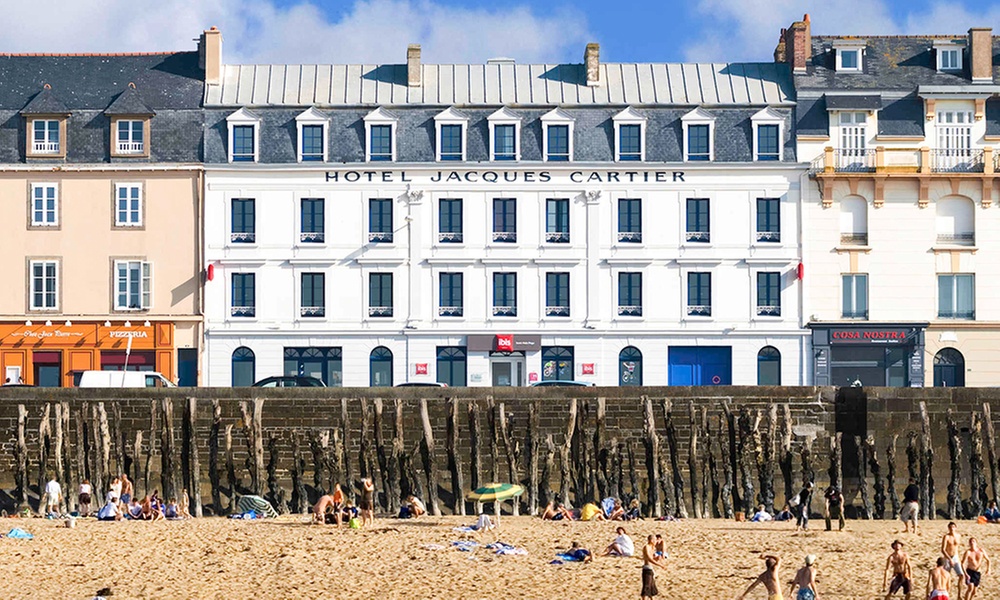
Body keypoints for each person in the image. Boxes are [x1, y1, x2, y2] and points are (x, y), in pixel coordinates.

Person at [641, 534, 668, 600]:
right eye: (655, 540)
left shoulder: (652, 547)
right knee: (646, 586)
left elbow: (652, 558)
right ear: (651, 540)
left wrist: (657, 558)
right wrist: (660, 565)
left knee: (652, 586)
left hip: (651, 568)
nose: (656, 541)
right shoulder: (646, 547)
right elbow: (649, 558)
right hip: (647, 568)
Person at [942, 522, 964, 599]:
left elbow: (957, 548)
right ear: (948, 528)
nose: (952, 529)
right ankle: (946, 593)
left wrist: (958, 558)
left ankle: (959, 594)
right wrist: (949, 559)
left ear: (956, 528)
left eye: (953, 527)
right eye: (950, 527)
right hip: (947, 557)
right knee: (946, 576)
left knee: (961, 575)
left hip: (955, 557)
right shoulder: (946, 537)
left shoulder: (958, 536)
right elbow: (943, 549)